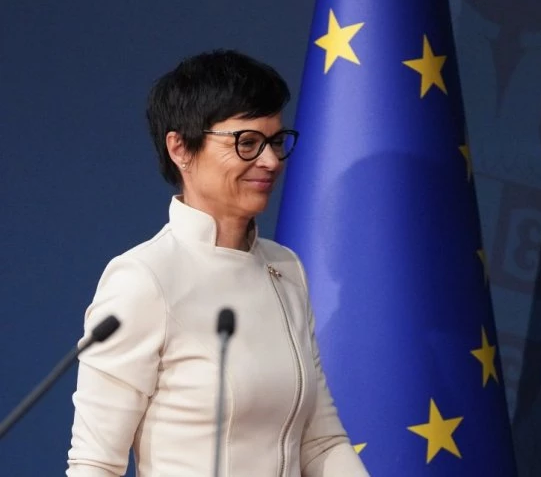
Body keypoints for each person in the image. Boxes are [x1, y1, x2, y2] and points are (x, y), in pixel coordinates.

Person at [66, 50, 369, 477]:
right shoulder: (143, 279)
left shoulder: (285, 269)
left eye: (276, 142)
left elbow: (320, 442)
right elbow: (95, 464)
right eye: (247, 143)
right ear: (180, 148)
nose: (270, 161)